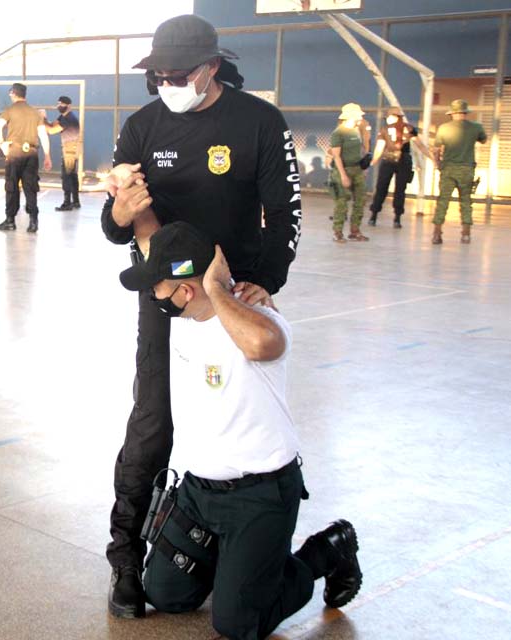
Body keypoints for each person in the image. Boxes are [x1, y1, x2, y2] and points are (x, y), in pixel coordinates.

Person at [100, 14, 302, 619]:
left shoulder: (259, 122)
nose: (166, 83)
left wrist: (263, 281)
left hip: (233, 299)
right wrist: (117, 214)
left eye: (178, 74)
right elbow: (116, 228)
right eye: (157, 75)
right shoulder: (142, 126)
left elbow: (285, 212)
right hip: (166, 298)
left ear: (211, 68)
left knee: (240, 421)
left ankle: (247, 544)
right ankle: (126, 558)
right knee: (152, 423)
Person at [119, 222, 362, 638]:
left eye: (156, 286)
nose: (151, 295)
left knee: (236, 625)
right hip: (198, 493)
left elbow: (266, 344)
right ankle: (243, 569)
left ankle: (325, 552)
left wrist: (218, 289)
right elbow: (151, 241)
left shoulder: (258, 318)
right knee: (166, 593)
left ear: (187, 290)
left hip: (259, 495)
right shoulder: (184, 316)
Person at [0, 82, 51, 233]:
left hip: (14, 153)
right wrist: (47, 155)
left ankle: (10, 220)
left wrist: (2, 144)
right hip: (31, 154)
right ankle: (33, 221)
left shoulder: (10, 110)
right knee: (30, 188)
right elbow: (43, 135)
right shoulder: (35, 113)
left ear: (13, 93)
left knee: (11, 187)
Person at [431, 99, 487, 245]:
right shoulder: (476, 127)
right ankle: (466, 233)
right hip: (467, 168)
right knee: (466, 201)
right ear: (465, 112)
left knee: (443, 200)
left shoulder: (443, 128)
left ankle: (437, 233)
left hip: (448, 168)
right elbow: (483, 140)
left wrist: (438, 164)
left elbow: (436, 149)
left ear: (452, 113)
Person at [368, 107, 428, 228]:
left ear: (394, 117)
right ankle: (397, 218)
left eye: (388, 117)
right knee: (400, 190)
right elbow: (420, 145)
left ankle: (374, 215)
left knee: (381, 187)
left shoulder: (384, 130)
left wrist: (373, 161)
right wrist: (430, 156)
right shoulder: (410, 128)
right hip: (404, 161)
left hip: (388, 160)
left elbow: (380, 148)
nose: (387, 119)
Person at [329, 103, 369, 243]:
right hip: (342, 170)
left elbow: (362, 150)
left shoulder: (357, 131)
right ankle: (338, 232)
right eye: (358, 116)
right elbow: (337, 156)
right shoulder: (338, 133)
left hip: (357, 169)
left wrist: (363, 169)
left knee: (360, 201)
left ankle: (355, 230)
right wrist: (343, 175)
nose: (360, 119)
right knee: (342, 203)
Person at [45, 95, 82, 210]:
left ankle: (67, 203)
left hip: (70, 150)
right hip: (71, 149)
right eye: (58, 104)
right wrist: (46, 121)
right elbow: (52, 124)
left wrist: (41, 119)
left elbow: (51, 130)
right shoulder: (64, 117)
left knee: (66, 177)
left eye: (62, 104)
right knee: (72, 176)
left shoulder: (69, 119)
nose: (59, 106)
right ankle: (75, 201)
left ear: (69, 106)